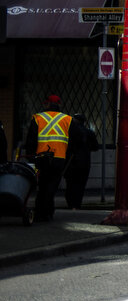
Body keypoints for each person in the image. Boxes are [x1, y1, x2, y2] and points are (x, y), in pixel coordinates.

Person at [21, 94, 73, 222]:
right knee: (52, 185)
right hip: (59, 158)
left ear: (47, 104)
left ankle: (41, 212)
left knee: (43, 185)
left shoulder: (38, 118)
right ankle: (47, 212)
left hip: (41, 157)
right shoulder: (67, 119)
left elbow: (31, 140)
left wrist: (31, 157)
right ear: (59, 104)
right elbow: (75, 140)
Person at [63, 115, 99, 210]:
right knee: (81, 185)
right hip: (84, 162)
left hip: (71, 162)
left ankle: (71, 204)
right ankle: (77, 204)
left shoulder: (68, 132)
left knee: (70, 184)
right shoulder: (89, 133)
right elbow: (96, 147)